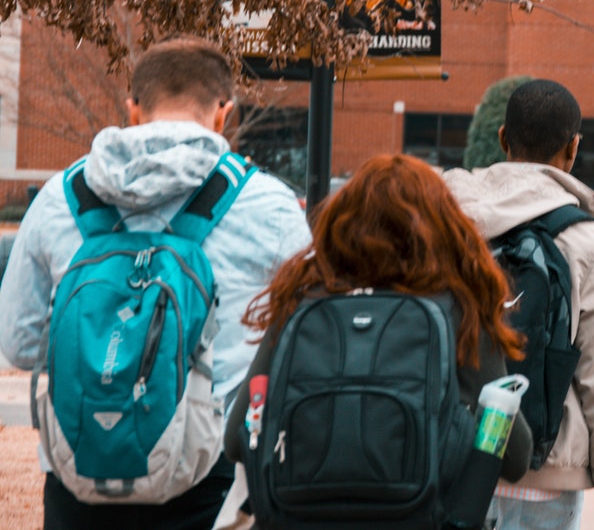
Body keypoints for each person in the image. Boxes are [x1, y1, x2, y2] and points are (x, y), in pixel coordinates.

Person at [0, 36, 312, 530]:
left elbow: (19, 344)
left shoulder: (60, 199)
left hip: (80, 473)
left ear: (133, 109)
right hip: (208, 477)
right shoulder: (269, 206)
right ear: (223, 113)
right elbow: (303, 347)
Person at [224, 155, 533, 515]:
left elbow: (237, 439)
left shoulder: (303, 303)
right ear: (441, 228)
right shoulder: (457, 310)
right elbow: (516, 457)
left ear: (341, 224)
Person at [443, 79, 594, 530]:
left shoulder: (449, 220)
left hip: (453, 459)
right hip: (543, 475)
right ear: (573, 149)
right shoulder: (586, 241)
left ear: (503, 138)